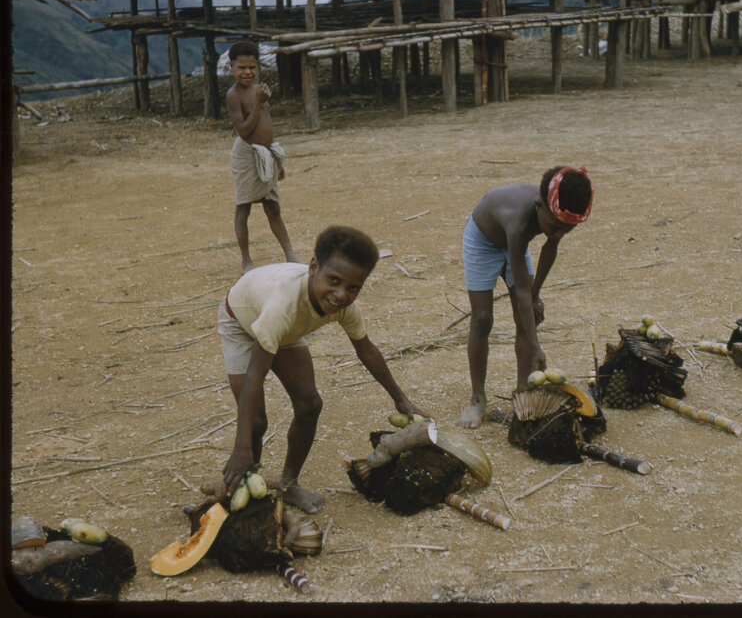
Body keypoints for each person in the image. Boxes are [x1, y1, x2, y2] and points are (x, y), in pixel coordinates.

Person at [213, 225, 431, 512]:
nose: (341, 294)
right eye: (334, 281)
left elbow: (366, 350)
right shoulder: (282, 307)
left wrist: (400, 397)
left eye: (353, 288)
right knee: (255, 422)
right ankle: (244, 483)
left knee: (309, 404)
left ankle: (289, 484)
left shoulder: (342, 306)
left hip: (285, 328)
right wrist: (242, 448)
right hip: (241, 320)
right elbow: (255, 376)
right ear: (313, 267)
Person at [458, 166, 594, 428]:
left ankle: (523, 395)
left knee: (526, 317)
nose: (558, 233)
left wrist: (537, 295)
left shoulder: (557, 216)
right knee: (483, 318)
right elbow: (521, 291)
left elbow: (549, 248)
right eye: (554, 227)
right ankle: (478, 400)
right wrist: (535, 345)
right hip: (483, 239)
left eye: (567, 230)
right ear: (539, 206)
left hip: (514, 243)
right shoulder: (518, 221)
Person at [225, 39, 301, 273]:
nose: (247, 72)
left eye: (252, 67)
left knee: (273, 208)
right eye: (241, 67)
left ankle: (290, 254)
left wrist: (275, 160)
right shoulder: (234, 95)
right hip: (247, 156)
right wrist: (259, 103)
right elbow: (244, 130)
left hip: (265, 155)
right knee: (244, 208)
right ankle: (246, 260)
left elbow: (266, 124)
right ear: (231, 67)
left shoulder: (259, 90)